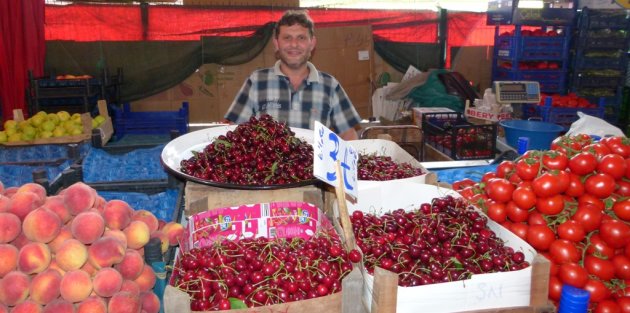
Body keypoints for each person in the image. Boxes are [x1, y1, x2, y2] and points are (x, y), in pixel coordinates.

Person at [223, 9, 362, 141]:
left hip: (314, 166)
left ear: (312, 43)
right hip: (266, 167)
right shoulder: (257, 82)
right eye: (287, 37)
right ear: (276, 43)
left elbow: (348, 134)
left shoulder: (330, 85)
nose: (294, 44)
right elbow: (234, 131)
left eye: (301, 38)